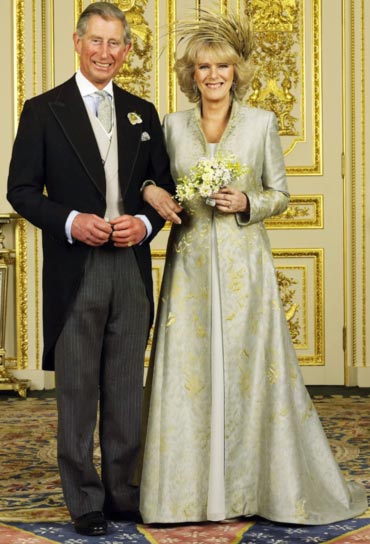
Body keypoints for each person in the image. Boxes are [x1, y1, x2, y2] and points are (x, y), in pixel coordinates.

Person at [139, 10, 367, 525]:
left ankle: (251, 490)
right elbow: (151, 182)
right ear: (190, 75)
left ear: (236, 71)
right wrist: (157, 193)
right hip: (190, 268)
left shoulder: (262, 123)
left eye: (222, 67)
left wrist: (246, 201)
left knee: (247, 372)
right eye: (203, 68)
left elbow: (280, 195)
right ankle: (180, 497)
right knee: (189, 373)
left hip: (246, 270)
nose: (214, 76)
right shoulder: (171, 127)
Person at [7, 2, 178, 537]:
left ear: (126, 51)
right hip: (76, 266)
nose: (105, 52)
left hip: (128, 265)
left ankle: (123, 492)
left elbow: (163, 188)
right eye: (96, 41)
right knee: (79, 389)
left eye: (115, 44)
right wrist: (72, 220)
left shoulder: (141, 111)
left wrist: (146, 227)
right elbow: (21, 191)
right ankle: (84, 500)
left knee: (127, 386)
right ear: (77, 42)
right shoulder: (42, 110)